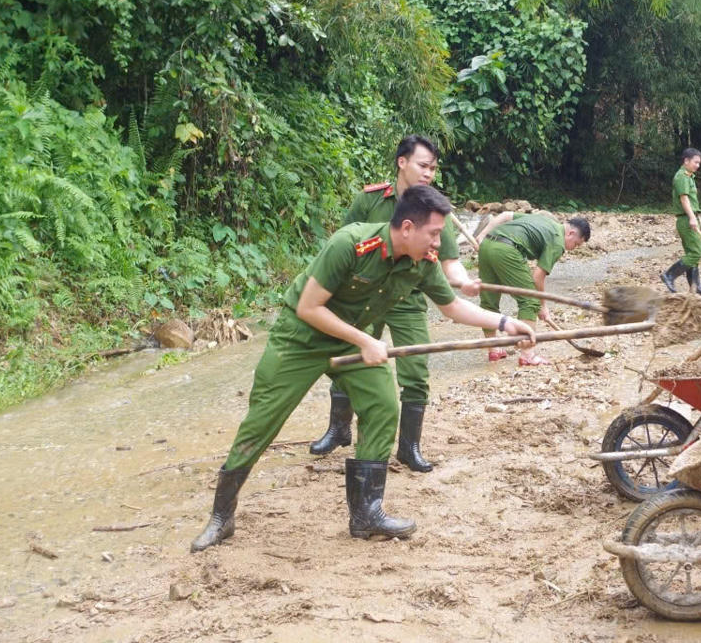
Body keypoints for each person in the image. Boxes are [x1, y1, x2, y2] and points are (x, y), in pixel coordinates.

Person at [191, 186, 535, 550]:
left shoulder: (422, 262)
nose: (439, 242)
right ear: (406, 227)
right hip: (301, 339)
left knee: (383, 406)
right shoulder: (350, 245)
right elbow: (309, 307)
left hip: (356, 340)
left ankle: (366, 515)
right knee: (262, 420)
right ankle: (221, 517)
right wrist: (366, 341)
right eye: (434, 233)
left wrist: (504, 324)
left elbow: (451, 307)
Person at [309, 135, 479, 473]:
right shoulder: (369, 200)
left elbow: (448, 263)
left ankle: (409, 447)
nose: (428, 173)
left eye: (433, 168)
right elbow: (345, 246)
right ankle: (339, 429)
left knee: (415, 369)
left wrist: (463, 282)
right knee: (349, 359)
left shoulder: (434, 210)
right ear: (402, 162)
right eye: (422, 165)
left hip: (408, 296)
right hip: (365, 294)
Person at [474, 212, 591, 366]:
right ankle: (527, 355)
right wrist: (542, 305)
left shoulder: (543, 219)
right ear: (571, 233)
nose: (573, 248)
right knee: (530, 301)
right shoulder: (558, 242)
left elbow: (506, 215)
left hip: (487, 244)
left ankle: (493, 349)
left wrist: (482, 234)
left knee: (489, 299)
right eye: (576, 244)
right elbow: (538, 276)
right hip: (507, 250)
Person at [660, 148, 701, 295]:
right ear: (686, 161)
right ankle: (669, 275)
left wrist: (699, 219)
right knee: (695, 253)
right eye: (695, 162)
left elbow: (693, 202)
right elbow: (684, 199)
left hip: (690, 217)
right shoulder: (681, 177)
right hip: (685, 219)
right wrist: (692, 218)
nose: (697, 165)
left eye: (699, 163)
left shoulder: (689, 177)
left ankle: (695, 287)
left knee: (692, 253)